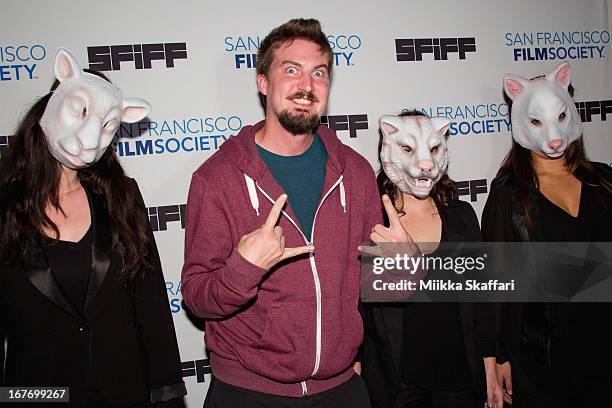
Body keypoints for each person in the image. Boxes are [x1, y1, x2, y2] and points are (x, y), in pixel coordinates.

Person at [181, 18, 381, 407]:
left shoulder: (355, 172)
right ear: (263, 82)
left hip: (340, 390)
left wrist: (404, 269)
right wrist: (243, 268)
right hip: (248, 392)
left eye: (318, 73)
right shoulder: (217, 178)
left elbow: (375, 284)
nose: (306, 85)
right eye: (291, 70)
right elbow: (196, 296)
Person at [0, 48, 186, 407]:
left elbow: (151, 306)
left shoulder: (121, 197)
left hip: (123, 393)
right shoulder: (6, 206)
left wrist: (167, 395)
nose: (89, 137)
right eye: (81, 111)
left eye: (106, 126)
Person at [482, 62, 612, 406]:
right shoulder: (508, 192)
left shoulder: (604, 181)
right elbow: (496, 277)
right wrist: (498, 356)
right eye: (537, 121)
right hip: (540, 358)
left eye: (558, 117)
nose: (553, 136)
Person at [359, 111, 503, 408]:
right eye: (408, 148)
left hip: (459, 381)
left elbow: (482, 299)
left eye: (434, 148)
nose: (424, 164)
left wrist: (490, 370)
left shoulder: (461, 216)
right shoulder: (371, 223)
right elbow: (358, 306)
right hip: (397, 385)